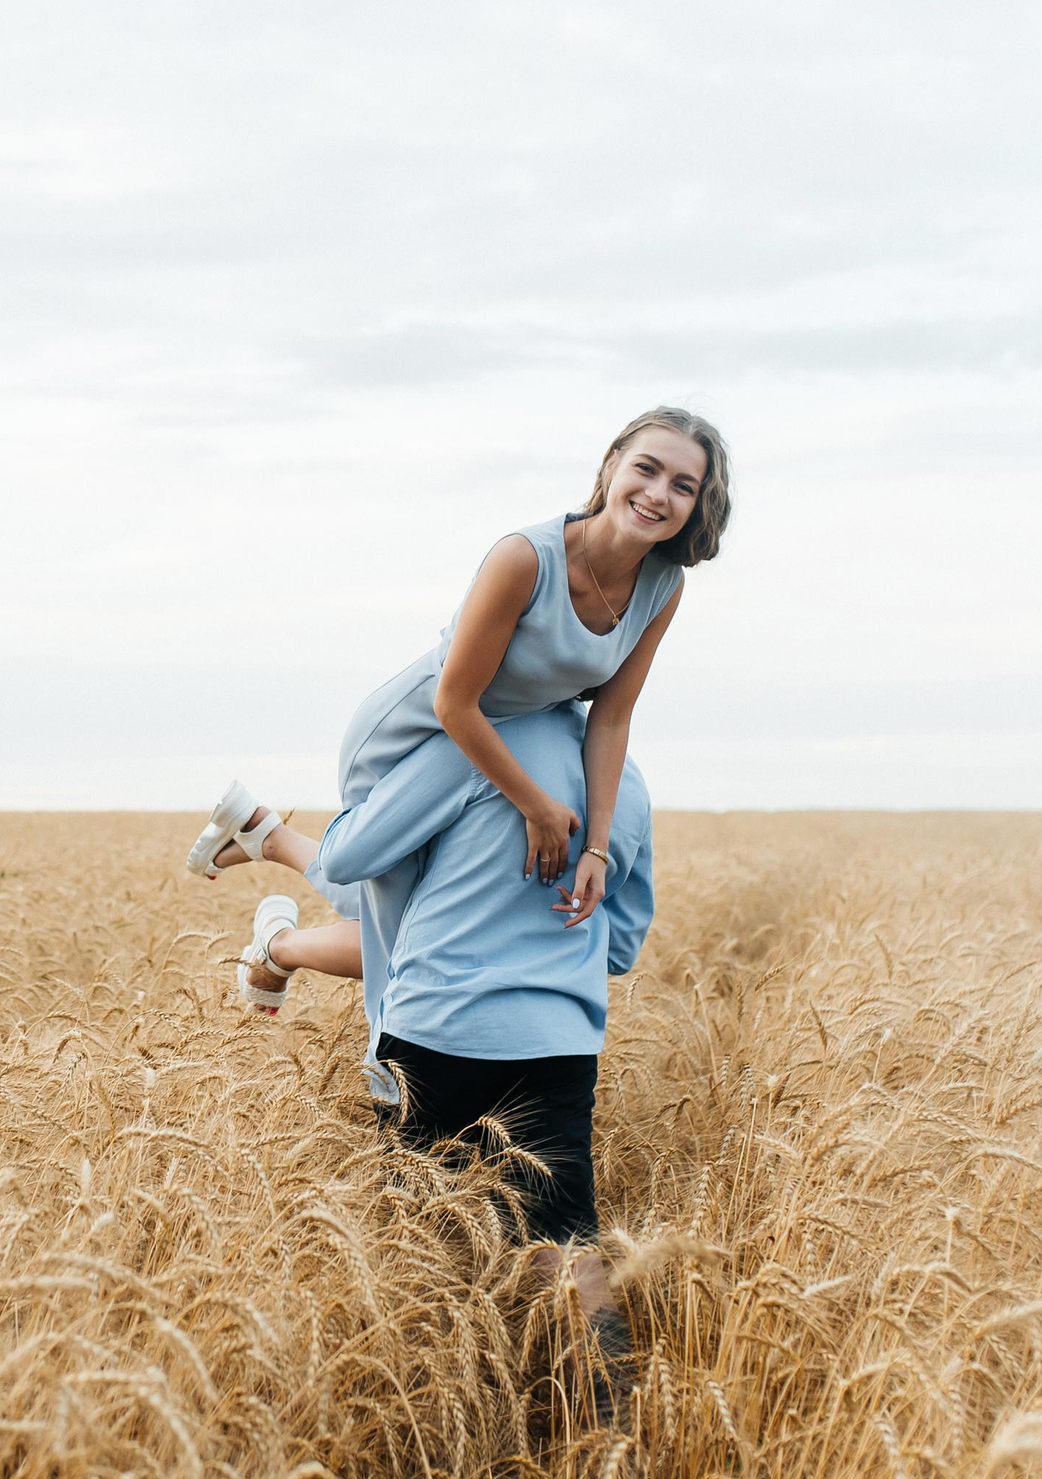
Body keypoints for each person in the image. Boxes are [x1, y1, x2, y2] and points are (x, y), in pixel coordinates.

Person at [186, 405, 730, 1026]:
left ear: (697, 505)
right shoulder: (524, 558)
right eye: (647, 469)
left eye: (683, 485)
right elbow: (453, 702)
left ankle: (268, 851)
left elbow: (610, 718)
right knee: (396, 919)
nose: (658, 494)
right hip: (420, 731)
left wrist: (597, 850)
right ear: (611, 466)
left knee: (443, 918)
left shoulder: (664, 583)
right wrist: (538, 807)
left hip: (518, 732)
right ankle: (373, 1059)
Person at [292, 701, 655, 1335]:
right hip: (555, 1042)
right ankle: (603, 1391)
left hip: (436, 1030)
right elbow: (620, 949)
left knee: (417, 1248)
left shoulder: (475, 745)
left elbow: (347, 859)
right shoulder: (626, 784)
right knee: (565, 1244)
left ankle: (425, 1385)